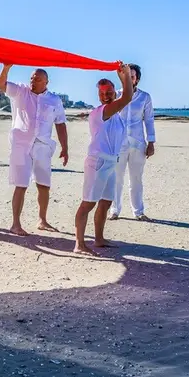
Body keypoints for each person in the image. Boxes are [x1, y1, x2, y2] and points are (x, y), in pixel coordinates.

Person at [0, 65, 69, 236]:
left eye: (37, 79)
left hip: (43, 145)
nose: (33, 82)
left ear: (46, 82)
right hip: (21, 145)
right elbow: (1, 84)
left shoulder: (54, 100)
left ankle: (42, 220)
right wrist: (6, 67)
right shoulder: (21, 91)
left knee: (44, 184)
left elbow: (60, 123)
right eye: (31, 78)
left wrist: (65, 148)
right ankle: (15, 224)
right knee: (21, 184)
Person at [74, 63, 133, 256]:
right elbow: (127, 97)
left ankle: (98, 239)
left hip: (111, 162)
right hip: (97, 162)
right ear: (98, 96)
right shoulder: (101, 112)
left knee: (106, 201)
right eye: (102, 93)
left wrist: (125, 80)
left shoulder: (116, 115)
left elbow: (126, 98)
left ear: (114, 93)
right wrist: (124, 75)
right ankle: (79, 243)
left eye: (109, 92)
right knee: (88, 203)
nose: (106, 96)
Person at [110, 64, 156, 221]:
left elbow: (149, 120)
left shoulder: (145, 97)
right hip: (118, 143)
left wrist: (151, 142)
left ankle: (138, 211)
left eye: (132, 76)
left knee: (136, 179)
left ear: (137, 79)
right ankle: (115, 210)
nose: (130, 79)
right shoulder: (115, 95)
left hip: (137, 143)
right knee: (116, 177)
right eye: (127, 76)